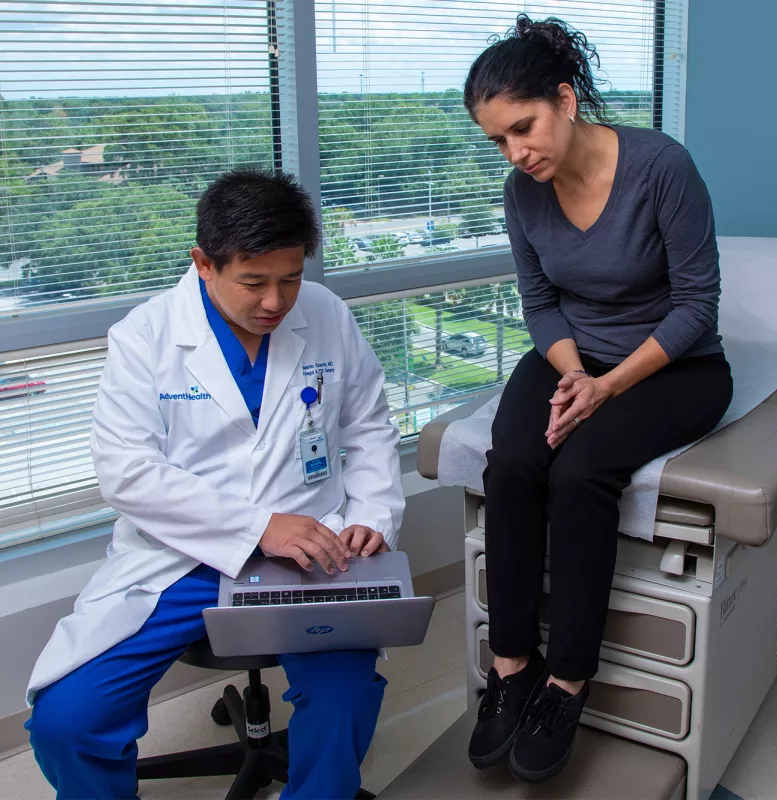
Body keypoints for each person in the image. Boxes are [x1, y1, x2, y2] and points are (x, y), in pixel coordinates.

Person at [24, 168, 405, 799]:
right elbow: (127, 472)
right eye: (253, 282)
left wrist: (371, 515)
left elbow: (368, 427)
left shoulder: (327, 315)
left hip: (312, 548)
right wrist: (258, 528)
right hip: (182, 556)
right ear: (204, 263)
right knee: (69, 723)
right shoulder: (145, 337)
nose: (276, 303)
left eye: (291, 279)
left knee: (344, 697)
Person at [462, 16, 733, 784]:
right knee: (514, 462)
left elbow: (696, 306)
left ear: (566, 99)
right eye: (499, 142)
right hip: (571, 358)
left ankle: (566, 681)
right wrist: (573, 372)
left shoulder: (660, 167)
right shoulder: (524, 192)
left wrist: (606, 387)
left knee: (580, 473)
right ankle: (512, 666)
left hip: (676, 367)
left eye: (524, 127)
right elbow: (540, 302)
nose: (517, 154)